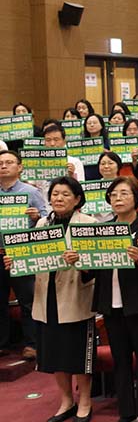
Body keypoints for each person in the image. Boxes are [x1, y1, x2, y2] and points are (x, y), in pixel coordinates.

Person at [4, 177, 96, 422]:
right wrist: (17, 261)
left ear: (77, 199)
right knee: (54, 354)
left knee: (77, 354)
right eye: (55, 194)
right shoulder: (43, 222)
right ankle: (66, 401)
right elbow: (33, 257)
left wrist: (80, 261)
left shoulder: (88, 223)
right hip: (46, 297)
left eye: (65, 194)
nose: (58, 198)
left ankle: (85, 402)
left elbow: (98, 265)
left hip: (76, 296)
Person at [84, 176, 138, 422]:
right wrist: (81, 262)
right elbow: (92, 270)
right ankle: (127, 413)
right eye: (114, 195)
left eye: (124, 194)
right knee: (120, 360)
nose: (117, 198)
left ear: (136, 198)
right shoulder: (102, 229)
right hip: (110, 304)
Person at [0, 149, 47, 360]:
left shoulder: (31, 191)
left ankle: (33, 344)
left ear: (19, 167)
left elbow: (48, 218)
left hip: (22, 252)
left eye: (9, 162)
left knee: (27, 300)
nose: (3, 166)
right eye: (0, 163)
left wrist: (37, 216)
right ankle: (2, 343)